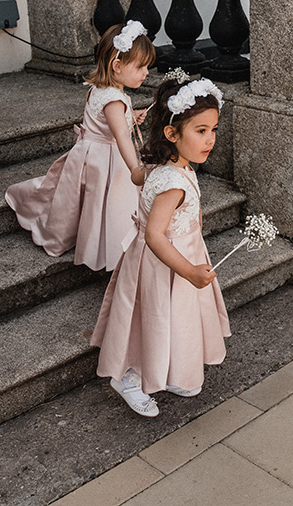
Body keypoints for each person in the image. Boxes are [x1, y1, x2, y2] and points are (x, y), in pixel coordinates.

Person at [91, 76, 230, 417]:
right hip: (163, 263)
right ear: (172, 134)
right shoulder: (172, 182)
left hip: (171, 255)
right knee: (150, 317)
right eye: (200, 131)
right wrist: (189, 271)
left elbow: (139, 175)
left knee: (170, 318)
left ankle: (164, 370)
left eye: (213, 129)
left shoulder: (166, 166)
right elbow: (155, 235)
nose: (210, 139)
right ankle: (129, 377)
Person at [5, 21, 154, 272]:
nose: (146, 72)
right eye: (141, 67)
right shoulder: (114, 100)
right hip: (106, 159)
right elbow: (121, 137)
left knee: (79, 199)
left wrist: (132, 115)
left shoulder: (100, 88)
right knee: (108, 202)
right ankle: (112, 249)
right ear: (117, 66)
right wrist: (135, 169)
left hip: (88, 154)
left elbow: (109, 122)